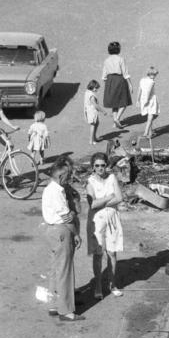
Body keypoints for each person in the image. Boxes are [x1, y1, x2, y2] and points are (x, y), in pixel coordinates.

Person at [42, 157, 82, 321]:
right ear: (61, 176)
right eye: (68, 175)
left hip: (50, 231)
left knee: (55, 269)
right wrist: (76, 234)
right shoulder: (57, 191)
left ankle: (54, 304)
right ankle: (65, 310)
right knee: (65, 270)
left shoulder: (49, 189)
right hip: (61, 231)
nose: (70, 178)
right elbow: (67, 218)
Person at [85, 151, 124, 299]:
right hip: (97, 221)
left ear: (106, 165)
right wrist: (109, 197)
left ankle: (112, 284)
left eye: (103, 165)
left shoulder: (112, 177)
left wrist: (101, 201)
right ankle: (98, 286)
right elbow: (92, 204)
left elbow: (120, 197)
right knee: (98, 254)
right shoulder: (90, 182)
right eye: (97, 166)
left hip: (112, 220)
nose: (100, 168)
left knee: (112, 253)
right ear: (93, 167)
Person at [101, 41, 131, 130]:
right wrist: (130, 84)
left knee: (114, 104)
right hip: (119, 80)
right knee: (123, 102)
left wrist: (107, 86)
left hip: (110, 81)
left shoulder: (106, 60)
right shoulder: (120, 59)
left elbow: (104, 75)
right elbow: (125, 73)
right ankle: (117, 119)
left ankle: (115, 121)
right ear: (118, 50)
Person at [137, 67, 159, 139]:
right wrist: (146, 101)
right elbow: (148, 92)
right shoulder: (152, 82)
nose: (155, 76)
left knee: (149, 115)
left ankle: (150, 133)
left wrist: (138, 100)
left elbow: (139, 89)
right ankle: (146, 132)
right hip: (150, 100)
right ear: (152, 74)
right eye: (155, 75)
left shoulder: (142, 80)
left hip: (143, 99)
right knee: (151, 116)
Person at [84, 80, 103, 144]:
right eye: (96, 88)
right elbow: (95, 105)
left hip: (88, 111)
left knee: (96, 123)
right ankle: (91, 140)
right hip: (92, 112)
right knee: (93, 125)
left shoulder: (87, 92)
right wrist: (103, 111)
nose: (97, 89)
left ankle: (94, 138)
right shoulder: (91, 96)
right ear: (92, 87)